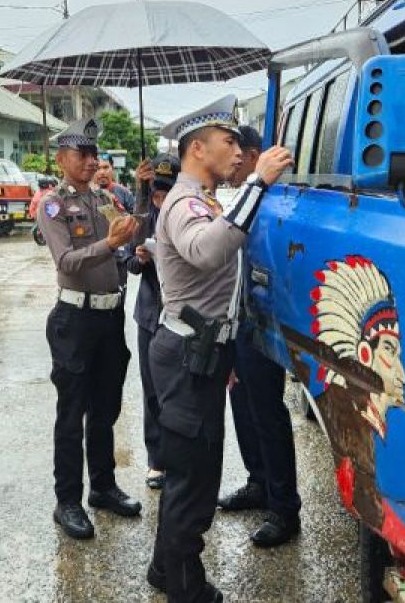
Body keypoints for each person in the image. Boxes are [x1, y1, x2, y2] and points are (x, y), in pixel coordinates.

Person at [146, 95, 292, 602]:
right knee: (194, 481)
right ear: (197, 149)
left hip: (202, 352)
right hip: (188, 356)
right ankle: (186, 589)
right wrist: (259, 182)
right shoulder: (187, 203)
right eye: (228, 142)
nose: (237, 151)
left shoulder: (203, 200)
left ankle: (165, 569)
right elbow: (209, 252)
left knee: (189, 472)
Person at [36, 117, 142, 540]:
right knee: (71, 412)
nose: (90, 160)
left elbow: (130, 237)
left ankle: (103, 486)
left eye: (93, 154)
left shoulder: (105, 198)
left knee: (105, 408)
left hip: (108, 315)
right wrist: (110, 245)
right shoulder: (53, 205)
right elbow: (66, 262)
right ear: (62, 158)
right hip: (74, 319)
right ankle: (67, 501)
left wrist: (145, 193)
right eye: (82, 154)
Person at [218, 125, 303, 548]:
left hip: (263, 318)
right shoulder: (241, 195)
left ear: (254, 155)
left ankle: (284, 507)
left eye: (237, 150)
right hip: (239, 317)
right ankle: (258, 482)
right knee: (242, 403)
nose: (231, 160)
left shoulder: (273, 199)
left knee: (267, 412)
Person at [124, 153, 179, 492]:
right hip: (149, 314)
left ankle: (180, 459)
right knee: (152, 392)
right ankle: (156, 460)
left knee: (180, 393)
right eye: (156, 193)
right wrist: (141, 256)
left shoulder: (187, 213)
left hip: (180, 317)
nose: (161, 199)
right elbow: (129, 263)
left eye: (165, 193)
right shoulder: (144, 215)